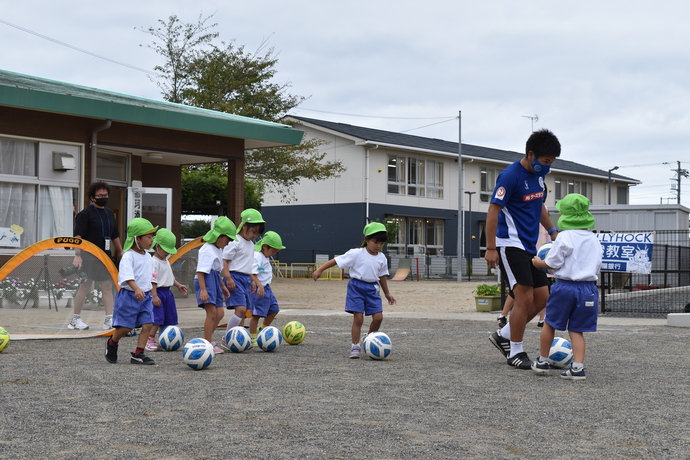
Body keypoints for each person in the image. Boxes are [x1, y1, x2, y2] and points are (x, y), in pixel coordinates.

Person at [485, 129, 561, 369]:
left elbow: (540, 208)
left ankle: (504, 334)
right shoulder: (509, 176)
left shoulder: (539, 179)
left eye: (551, 162)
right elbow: (493, 211)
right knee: (524, 295)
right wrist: (491, 247)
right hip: (510, 243)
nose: (547, 167)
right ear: (531, 155)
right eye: (545, 162)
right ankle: (515, 351)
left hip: (531, 247)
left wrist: (553, 232)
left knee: (543, 297)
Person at [531, 194, 602, 380]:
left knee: (550, 323)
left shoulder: (564, 236)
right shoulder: (594, 238)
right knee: (577, 329)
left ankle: (543, 361)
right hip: (588, 288)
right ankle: (577, 368)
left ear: (565, 214)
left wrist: (539, 263)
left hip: (565, 286)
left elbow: (553, 263)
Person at [312, 222, 396, 359]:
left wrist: (387, 293)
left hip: (373, 289)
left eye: (382, 243)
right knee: (358, 319)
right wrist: (320, 269)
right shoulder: (356, 253)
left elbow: (382, 276)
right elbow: (336, 261)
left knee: (379, 318)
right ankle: (355, 346)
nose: (379, 246)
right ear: (366, 239)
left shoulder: (382, 258)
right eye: (376, 242)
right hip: (356, 288)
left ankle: (368, 340)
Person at [68, 181, 123, 330]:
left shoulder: (109, 213)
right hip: (88, 255)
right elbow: (78, 236)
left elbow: (115, 235)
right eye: (100, 195)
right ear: (92, 197)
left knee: (106, 285)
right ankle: (75, 319)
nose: (103, 197)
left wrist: (120, 251)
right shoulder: (85, 214)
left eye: (106, 195)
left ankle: (108, 319)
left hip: (105, 255)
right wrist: (77, 255)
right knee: (85, 285)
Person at [104, 218, 158, 365]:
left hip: (145, 297)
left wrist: (152, 293)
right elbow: (127, 276)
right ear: (137, 238)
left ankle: (138, 353)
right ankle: (113, 342)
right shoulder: (128, 256)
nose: (152, 240)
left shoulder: (148, 256)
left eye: (152, 236)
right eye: (148, 237)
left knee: (148, 325)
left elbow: (150, 277)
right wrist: (136, 289)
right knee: (127, 327)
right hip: (129, 296)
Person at [221, 209, 265, 347]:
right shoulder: (235, 241)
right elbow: (224, 261)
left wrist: (252, 280)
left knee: (244, 311)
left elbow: (249, 265)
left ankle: (239, 339)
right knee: (240, 309)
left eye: (257, 233)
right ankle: (228, 337)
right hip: (234, 278)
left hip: (246, 279)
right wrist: (228, 278)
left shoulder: (251, 245)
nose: (255, 235)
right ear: (244, 226)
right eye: (253, 232)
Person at [195, 217, 235, 354]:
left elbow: (217, 271)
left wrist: (222, 286)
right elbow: (201, 271)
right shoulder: (207, 249)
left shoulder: (218, 249)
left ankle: (207, 339)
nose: (228, 243)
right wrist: (203, 289)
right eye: (227, 240)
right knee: (211, 313)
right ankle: (207, 343)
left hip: (215, 280)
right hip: (205, 281)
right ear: (219, 236)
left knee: (220, 312)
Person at [146, 228, 188, 351]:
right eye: (166, 250)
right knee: (157, 319)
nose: (168, 253)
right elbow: (153, 281)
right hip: (158, 293)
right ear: (157, 246)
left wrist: (178, 285)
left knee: (168, 319)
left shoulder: (166, 261)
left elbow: (169, 277)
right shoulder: (154, 262)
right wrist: (154, 296)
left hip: (168, 293)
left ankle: (164, 339)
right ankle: (150, 339)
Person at [247, 231, 286, 347]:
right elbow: (252, 273)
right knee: (256, 315)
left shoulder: (265, 255)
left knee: (274, 309)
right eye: (273, 251)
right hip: (259, 290)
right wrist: (259, 285)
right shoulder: (257, 256)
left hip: (267, 288)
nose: (272, 254)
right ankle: (253, 337)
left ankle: (262, 329)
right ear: (264, 246)